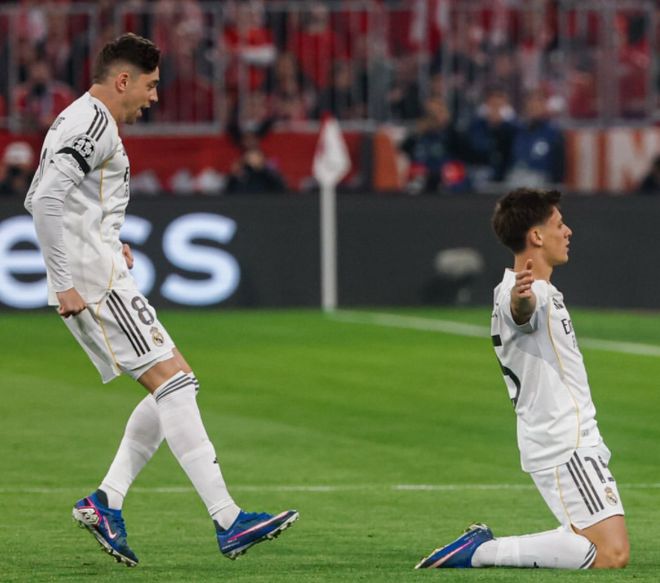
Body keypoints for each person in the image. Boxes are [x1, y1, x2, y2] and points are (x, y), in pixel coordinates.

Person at [24, 33, 298, 568]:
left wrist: (106, 238)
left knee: (176, 383)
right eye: (149, 86)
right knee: (174, 384)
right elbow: (45, 202)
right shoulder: (93, 123)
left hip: (97, 266)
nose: (153, 97)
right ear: (123, 80)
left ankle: (106, 501)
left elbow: (46, 195)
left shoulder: (76, 118)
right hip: (93, 279)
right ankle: (228, 520)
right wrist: (65, 279)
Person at [416, 188, 629, 570]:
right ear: (536, 236)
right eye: (559, 224)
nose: (568, 231)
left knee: (598, 547)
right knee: (610, 554)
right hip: (563, 442)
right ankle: (482, 551)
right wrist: (522, 299)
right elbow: (521, 311)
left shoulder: (541, 290)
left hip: (570, 438)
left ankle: (486, 549)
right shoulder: (520, 292)